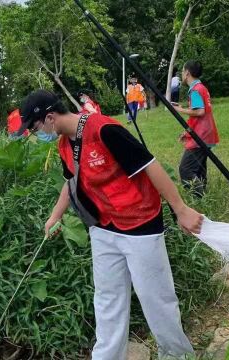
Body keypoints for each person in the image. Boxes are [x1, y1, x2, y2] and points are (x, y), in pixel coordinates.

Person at [15, 89, 203, 360]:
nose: (35, 134)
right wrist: (54, 217)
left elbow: (150, 165)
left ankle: (177, 355)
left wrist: (181, 208)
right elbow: (71, 182)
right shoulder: (65, 144)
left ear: (50, 118)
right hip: (103, 227)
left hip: (140, 225)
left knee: (156, 299)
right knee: (107, 301)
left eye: (34, 128)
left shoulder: (103, 130)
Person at [173, 60, 220, 198]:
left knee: (186, 169)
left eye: (182, 71)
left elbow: (199, 112)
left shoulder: (195, 90)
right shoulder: (201, 87)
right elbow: (197, 117)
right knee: (199, 168)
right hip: (205, 134)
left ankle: (200, 198)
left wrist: (179, 109)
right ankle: (204, 199)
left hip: (201, 136)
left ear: (187, 72)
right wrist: (187, 132)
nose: (182, 74)